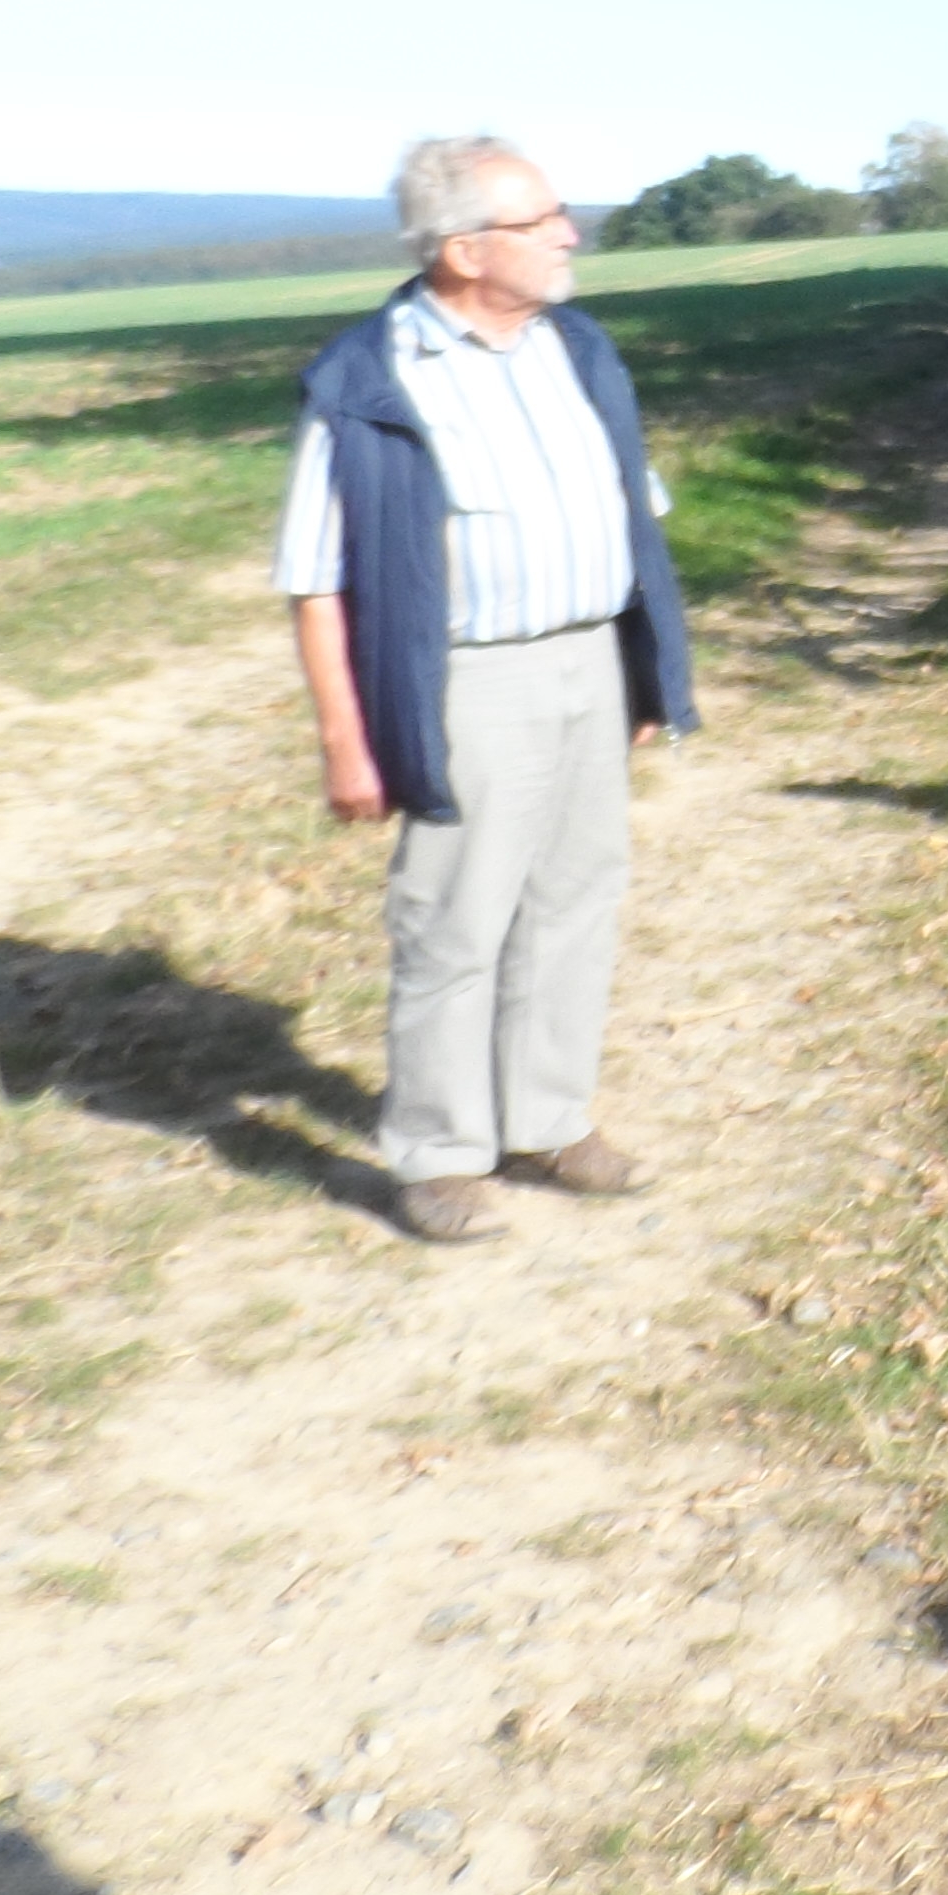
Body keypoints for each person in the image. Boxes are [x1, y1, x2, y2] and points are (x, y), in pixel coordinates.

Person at [274, 137, 696, 1243]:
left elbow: (628, 512)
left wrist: (642, 666)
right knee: (455, 922)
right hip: (469, 681)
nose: (569, 233)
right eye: (544, 218)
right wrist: (344, 742)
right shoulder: (368, 382)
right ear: (465, 250)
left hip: (587, 661)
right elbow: (316, 582)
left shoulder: (578, 349)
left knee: (577, 896)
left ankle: (547, 1122)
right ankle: (440, 1154)